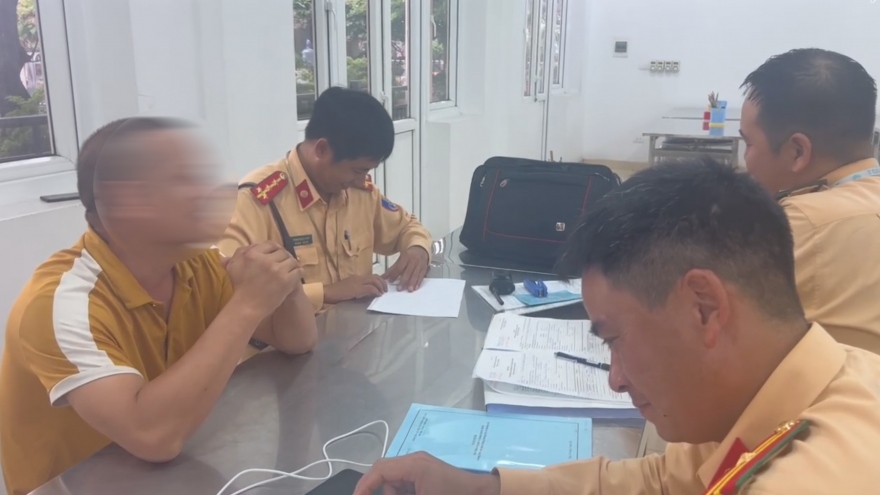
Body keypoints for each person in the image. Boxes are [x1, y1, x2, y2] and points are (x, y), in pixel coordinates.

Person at [353, 159, 880, 495]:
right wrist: (479, 488)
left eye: (615, 340)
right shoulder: (794, 394)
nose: (616, 379)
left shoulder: (812, 478)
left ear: (704, 308)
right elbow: (660, 480)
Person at [0, 117, 318, 495]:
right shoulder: (59, 304)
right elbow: (153, 437)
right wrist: (247, 304)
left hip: (173, 477)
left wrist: (284, 282)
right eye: (184, 181)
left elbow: (297, 340)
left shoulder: (195, 266)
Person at [219, 87, 432, 314]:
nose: (362, 180)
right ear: (321, 149)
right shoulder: (257, 201)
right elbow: (225, 289)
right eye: (357, 170)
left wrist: (417, 250)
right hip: (295, 335)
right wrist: (325, 293)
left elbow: (407, 226)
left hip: (359, 329)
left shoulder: (359, 193)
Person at [739, 48, 880, 354]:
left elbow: (715, 330)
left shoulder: (800, 225)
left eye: (748, 143)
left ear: (797, 152)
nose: (745, 160)